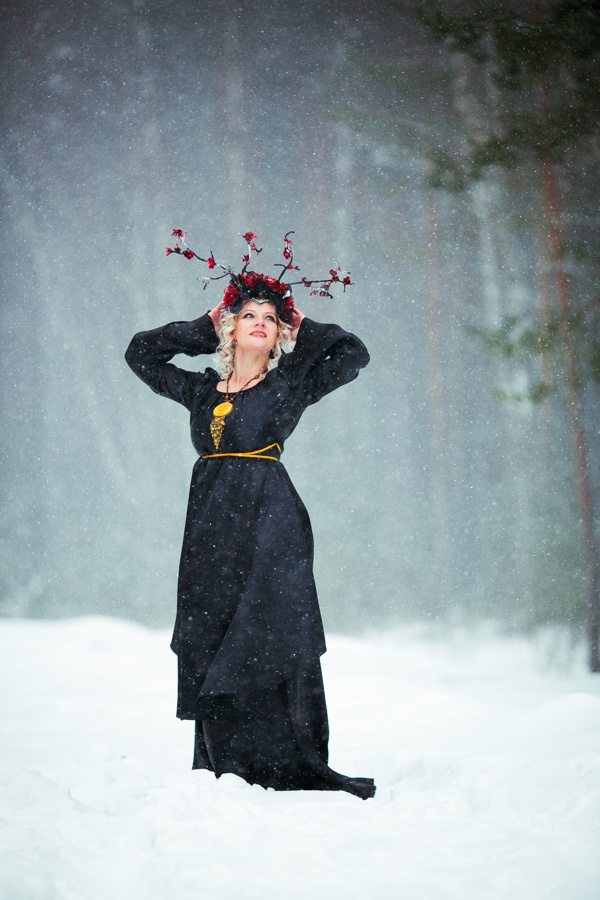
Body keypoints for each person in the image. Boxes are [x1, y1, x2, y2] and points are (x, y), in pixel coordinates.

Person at [125, 232, 375, 800]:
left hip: (271, 518)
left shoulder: (290, 384)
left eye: (271, 317)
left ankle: (285, 757)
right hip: (211, 521)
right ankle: (230, 758)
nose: (260, 321)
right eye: (249, 314)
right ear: (231, 326)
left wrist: (306, 328)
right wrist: (197, 328)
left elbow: (353, 355)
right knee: (214, 625)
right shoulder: (200, 390)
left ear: (278, 332)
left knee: (267, 625)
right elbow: (140, 353)